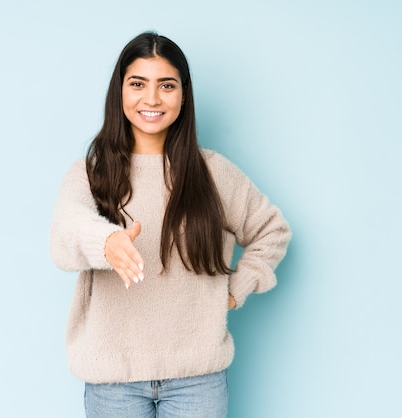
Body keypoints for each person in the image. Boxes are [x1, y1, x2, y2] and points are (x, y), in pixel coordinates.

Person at [50, 31, 291, 418]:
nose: (152, 99)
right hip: (114, 383)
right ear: (120, 92)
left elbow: (272, 231)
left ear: (183, 94)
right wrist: (108, 241)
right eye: (138, 84)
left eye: (166, 85)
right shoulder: (90, 173)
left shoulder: (212, 172)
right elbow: (67, 228)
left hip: (197, 380)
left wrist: (234, 290)